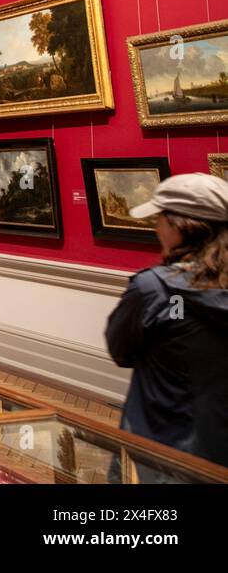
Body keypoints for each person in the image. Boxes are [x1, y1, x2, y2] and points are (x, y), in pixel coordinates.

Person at [105, 172, 228, 469]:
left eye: (160, 218)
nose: (156, 228)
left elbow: (121, 350)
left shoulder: (154, 288)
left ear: (180, 226)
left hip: (157, 443)